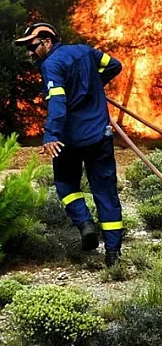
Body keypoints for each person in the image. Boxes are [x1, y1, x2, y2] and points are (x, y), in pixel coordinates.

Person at [15, 22, 125, 266]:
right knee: (106, 193)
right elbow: (115, 65)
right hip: (99, 136)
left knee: (65, 184)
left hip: (69, 140)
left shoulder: (51, 64)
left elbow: (57, 101)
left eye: (32, 47)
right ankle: (113, 255)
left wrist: (51, 135)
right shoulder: (86, 51)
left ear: (47, 41)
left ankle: (85, 224)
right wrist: (94, 85)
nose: (30, 53)